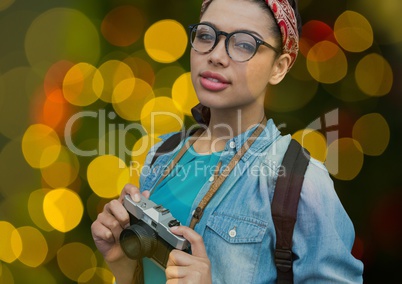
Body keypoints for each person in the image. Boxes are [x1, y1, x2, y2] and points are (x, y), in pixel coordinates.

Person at [91, 0, 364, 283]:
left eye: (244, 44)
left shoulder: (299, 180)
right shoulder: (162, 154)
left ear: (279, 68)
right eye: (206, 36)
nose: (216, 56)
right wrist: (121, 264)